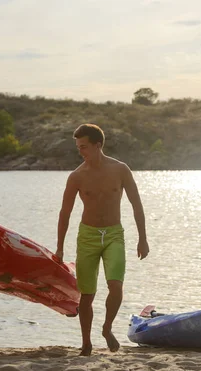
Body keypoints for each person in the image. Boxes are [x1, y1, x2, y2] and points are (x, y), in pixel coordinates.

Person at [55, 123, 149, 356]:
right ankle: (86, 343)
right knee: (87, 295)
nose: (81, 151)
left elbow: (136, 205)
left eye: (84, 147)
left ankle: (107, 328)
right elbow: (64, 213)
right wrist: (59, 248)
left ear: (98, 145)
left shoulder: (120, 170)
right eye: (78, 147)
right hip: (87, 236)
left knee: (116, 286)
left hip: (114, 234)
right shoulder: (77, 176)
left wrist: (143, 239)